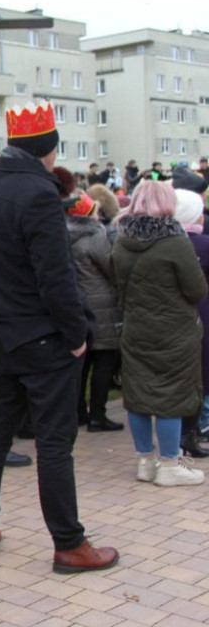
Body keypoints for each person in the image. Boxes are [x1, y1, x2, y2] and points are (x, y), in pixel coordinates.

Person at [0, 101, 118, 573]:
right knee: (54, 442)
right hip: (41, 336)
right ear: (48, 149)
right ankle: (69, 543)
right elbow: (55, 276)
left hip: (1, 332)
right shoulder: (38, 192)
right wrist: (76, 334)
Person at [113, 181, 207, 486]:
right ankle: (169, 464)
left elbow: (117, 284)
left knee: (137, 396)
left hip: (135, 327)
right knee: (171, 396)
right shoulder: (176, 241)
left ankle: (145, 462)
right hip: (174, 331)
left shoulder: (121, 240)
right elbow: (196, 290)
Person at [62, 192, 123, 432]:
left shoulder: (64, 236)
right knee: (104, 361)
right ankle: (98, 414)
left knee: (82, 363)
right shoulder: (96, 237)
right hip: (101, 306)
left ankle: (78, 412)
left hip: (78, 303)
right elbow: (113, 267)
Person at [174, 189, 209, 458]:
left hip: (167, 317)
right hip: (200, 313)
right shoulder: (203, 244)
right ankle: (193, 427)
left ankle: (183, 430)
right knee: (201, 373)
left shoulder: (163, 243)